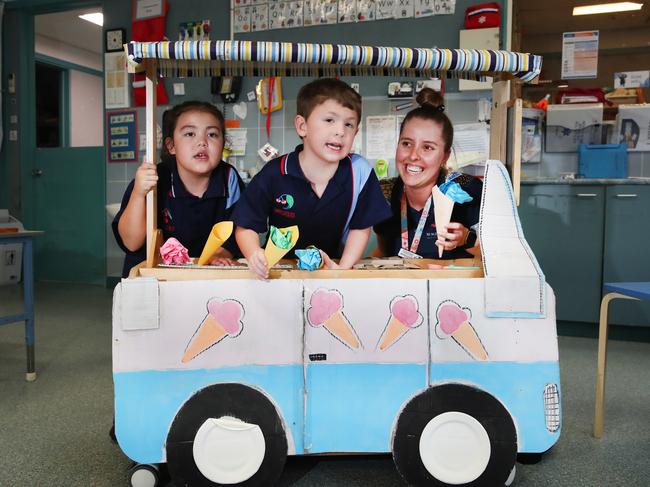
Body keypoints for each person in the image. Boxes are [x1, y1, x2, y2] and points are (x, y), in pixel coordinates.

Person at [234, 78, 391, 279]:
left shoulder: (359, 171)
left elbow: (360, 228)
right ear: (302, 126)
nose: (340, 131)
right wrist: (254, 254)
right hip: (279, 271)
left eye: (349, 124)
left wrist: (342, 269)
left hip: (331, 268)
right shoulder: (275, 173)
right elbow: (246, 225)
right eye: (329, 120)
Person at [112, 101, 244, 277]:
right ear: (171, 146)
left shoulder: (229, 177)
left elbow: (242, 228)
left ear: (223, 145)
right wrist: (138, 193)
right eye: (190, 133)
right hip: (154, 278)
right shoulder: (155, 178)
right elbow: (131, 243)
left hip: (206, 276)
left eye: (212, 134)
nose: (202, 142)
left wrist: (222, 252)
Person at [374, 88, 482, 260]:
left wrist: (466, 239)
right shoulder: (385, 194)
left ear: (445, 156)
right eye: (407, 143)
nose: (413, 155)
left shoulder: (467, 188)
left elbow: (495, 257)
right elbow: (383, 252)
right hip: (405, 285)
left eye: (428, 147)